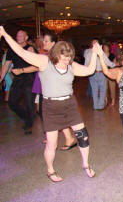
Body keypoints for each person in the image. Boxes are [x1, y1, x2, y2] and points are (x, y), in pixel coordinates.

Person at [0, 26, 97, 182]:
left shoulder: (71, 65)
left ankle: (85, 164)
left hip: (70, 104)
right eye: (64, 58)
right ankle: (50, 170)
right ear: (56, 54)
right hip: (51, 107)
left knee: (83, 136)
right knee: (51, 143)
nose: (67, 62)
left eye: (69, 58)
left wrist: (95, 52)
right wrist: (5, 34)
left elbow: (89, 70)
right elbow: (20, 52)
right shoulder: (44, 62)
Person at [32, 32, 77, 149]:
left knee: (53, 114)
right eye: (43, 40)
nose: (43, 43)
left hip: (53, 91)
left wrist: (22, 70)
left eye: (46, 41)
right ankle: (64, 137)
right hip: (46, 87)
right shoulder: (47, 56)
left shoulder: (53, 58)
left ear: (53, 44)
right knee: (56, 115)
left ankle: (60, 137)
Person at [0, 30, 38, 135]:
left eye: (21, 35)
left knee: (29, 103)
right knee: (12, 103)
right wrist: (0, 78)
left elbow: (37, 66)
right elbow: (6, 66)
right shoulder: (12, 50)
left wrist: (22, 70)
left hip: (29, 78)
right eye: (17, 35)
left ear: (26, 38)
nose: (18, 37)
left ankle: (29, 125)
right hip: (17, 79)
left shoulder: (30, 49)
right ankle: (28, 117)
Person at [84, 39, 115, 110]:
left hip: (96, 74)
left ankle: (97, 106)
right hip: (96, 74)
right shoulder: (100, 53)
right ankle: (99, 106)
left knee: (96, 90)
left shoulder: (90, 53)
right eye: (95, 43)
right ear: (92, 45)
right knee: (101, 90)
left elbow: (86, 65)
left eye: (96, 43)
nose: (96, 45)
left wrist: (115, 65)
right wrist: (115, 65)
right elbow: (108, 63)